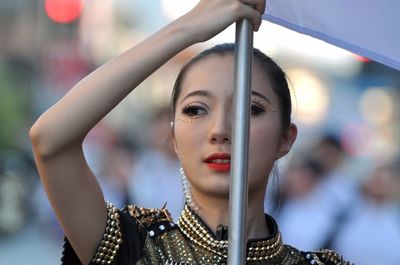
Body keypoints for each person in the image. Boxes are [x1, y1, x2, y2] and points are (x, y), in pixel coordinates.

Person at [30, 0, 350, 264]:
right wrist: (187, 28)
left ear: (286, 138)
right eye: (196, 110)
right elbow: (51, 141)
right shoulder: (135, 245)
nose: (221, 131)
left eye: (251, 109)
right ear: (173, 136)